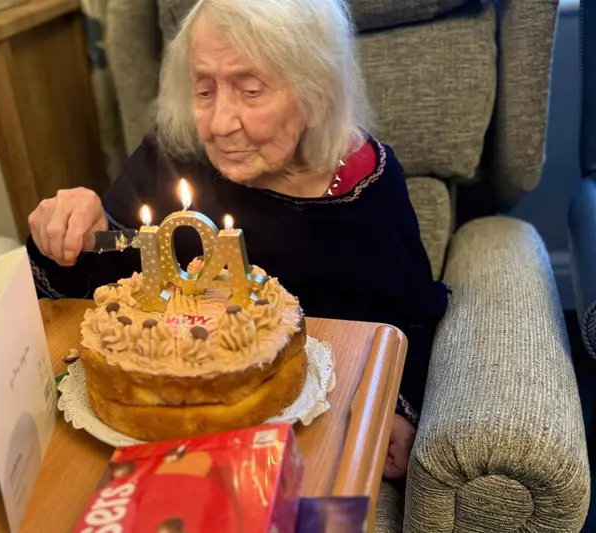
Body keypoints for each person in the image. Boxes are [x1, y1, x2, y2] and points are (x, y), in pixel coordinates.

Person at [27, 0, 449, 480]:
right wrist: (70, 235)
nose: (219, 123)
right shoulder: (173, 154)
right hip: (159, 433)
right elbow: (106, 282)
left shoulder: (366, 185)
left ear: (315, 91)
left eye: (250, 90)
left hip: (313, 438)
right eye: (203, 90)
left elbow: (411, 316)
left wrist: (399, 407)